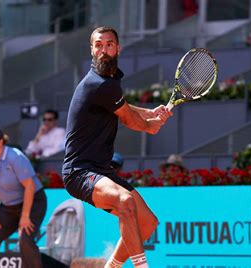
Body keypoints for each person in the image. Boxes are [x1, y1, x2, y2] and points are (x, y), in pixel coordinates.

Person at [62, 26, 173, 268]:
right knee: (124, 201)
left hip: (100, 170)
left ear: (117, 48)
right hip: (79, 172)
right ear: (92, 50)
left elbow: (121, 107)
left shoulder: (109, 83)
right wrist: (149, 126)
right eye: (98, 45)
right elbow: (128, 119)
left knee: (147, 223)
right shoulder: (99, 83)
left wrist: (149, 113)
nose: (103, 49)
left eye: (109, 44)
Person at [0, 125, 47, 268]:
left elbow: (29, 186)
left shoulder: (15, 156)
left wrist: (25, 215)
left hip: (33, 203)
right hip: (8, 207)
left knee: (25, 239)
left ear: (1, 141)